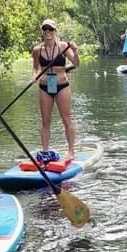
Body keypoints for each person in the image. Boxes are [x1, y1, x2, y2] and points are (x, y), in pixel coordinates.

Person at [31, 19, 79, 160]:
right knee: (45, 120)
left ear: (55, 31)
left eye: (50, 29)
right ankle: (45, 151)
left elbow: (76, 63)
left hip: (62, 86)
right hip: (45, 86)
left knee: (66, 119)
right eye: (45, 29)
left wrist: (75, 51)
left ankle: (71, 151)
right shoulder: (37, 50)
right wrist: (34, 77)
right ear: (42, 31)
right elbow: (35, 68)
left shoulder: (63, 46)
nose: (47, 32)